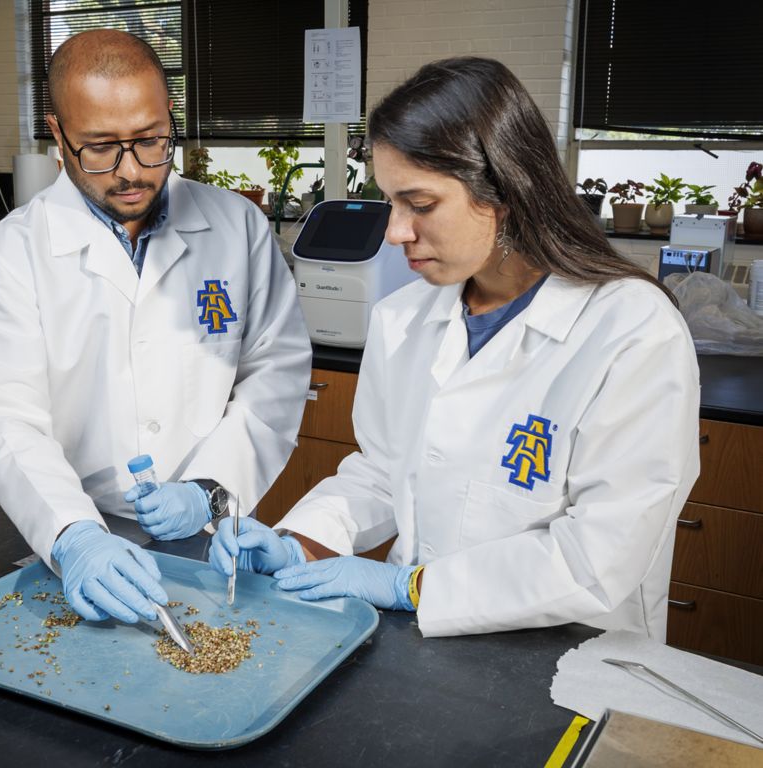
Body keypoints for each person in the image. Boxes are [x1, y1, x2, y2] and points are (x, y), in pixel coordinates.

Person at [209, 57, 700, 641]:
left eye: (419, 205)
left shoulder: (633, 331)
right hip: (420, 648)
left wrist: (410, 588)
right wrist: (300, 541)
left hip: (566, 660)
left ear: (504, 189)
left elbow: (601, 556)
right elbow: (382, 472)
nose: (395, 232)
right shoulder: (401, 319)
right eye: (390, 202)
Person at [0, 30, 312, 625]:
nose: (131, 172)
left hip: (210, 527)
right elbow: (5, 413)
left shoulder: (236, 227)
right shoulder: (15, 249)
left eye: (151, 140)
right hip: (75, 530)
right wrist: (74, 537)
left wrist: (208, 488)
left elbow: (275, 373)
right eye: (100, 147)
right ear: (57, 133)